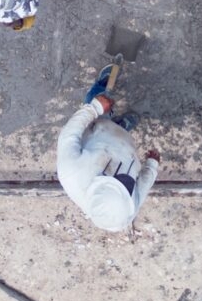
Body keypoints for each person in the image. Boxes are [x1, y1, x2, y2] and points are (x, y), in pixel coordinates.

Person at [56, 67, 160, 232]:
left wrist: (95, 108)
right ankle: (119, 127)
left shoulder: (71, 174)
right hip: (121, 145)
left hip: (97, 131)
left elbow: (70, 134)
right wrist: (152, 166)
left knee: (100, 101)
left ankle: (102, 85)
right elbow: (141, 189)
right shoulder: (126, 209)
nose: (127, 181)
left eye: (119, 181)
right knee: (117, 132)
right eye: (127, 186)